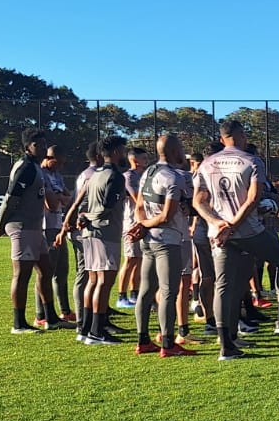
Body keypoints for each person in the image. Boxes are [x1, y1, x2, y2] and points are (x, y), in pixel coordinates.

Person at [192, 119, 279, 361]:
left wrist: (216, 223)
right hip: (247, 230)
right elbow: (252, 199)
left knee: (225, 286)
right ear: (241, 135)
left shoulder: (206, 164)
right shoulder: (252, 161)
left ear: (221, 139)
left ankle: (226, 345)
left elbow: (198, 200)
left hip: (218, 234)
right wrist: (233, 225)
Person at [127, 134, 197, 357]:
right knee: (169, 291)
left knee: (146, 291)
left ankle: (143, 340)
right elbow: (167, 216)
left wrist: (143, 225)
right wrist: (147, 223)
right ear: (175, 151)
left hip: (149, 240)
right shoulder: (173, 177)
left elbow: (139, 205)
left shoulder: (148, 172)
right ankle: (168, 343)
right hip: (168, 241)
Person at [0, 127, 55, 334]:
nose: (43, 148)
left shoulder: (36, 166)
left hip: (34, 227)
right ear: (27, 147)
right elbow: (11, 197)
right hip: (22, 227)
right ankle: (19, 323)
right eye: (37, 145)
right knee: (22, 274)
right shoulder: (25, 167)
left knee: (46, 269)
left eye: (44, 144)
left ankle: (50, 317)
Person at [75, 136, 131, 345]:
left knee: (93, 280)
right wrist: (89, 217)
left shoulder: (94, 174)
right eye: (123, 150)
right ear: (116, 151)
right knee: (104, 282)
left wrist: (83, 217)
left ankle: (85, 328)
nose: (125, 154)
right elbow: (106, 206)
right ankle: (97, 331)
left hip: (89, 233)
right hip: (105, 233)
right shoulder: (115, 176)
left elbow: (85, 203)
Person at [58, 142, 103, 341]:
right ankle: (82, 321)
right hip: (81, 229)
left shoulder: (92, 173)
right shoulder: (90, 175)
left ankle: (95, 318)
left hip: (84, 227)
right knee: (85, 273)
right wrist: (73, 223)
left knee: (92, 273)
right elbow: (80, 203)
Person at [36, 144, 77, 329]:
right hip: (46, 228)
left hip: (59, 227)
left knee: (62, 271)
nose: (61, 167)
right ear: (49, 158)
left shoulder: (57, 175)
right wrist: (60, 198)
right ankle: (41, 314)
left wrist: (61, 197)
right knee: (45, 273)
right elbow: (51, 203)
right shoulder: (41, 174)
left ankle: (65, 311)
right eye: (58, 163)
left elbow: (69, 198)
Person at [117, 146, 151, 309]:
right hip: (131, 223)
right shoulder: (129, 177)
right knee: (130, 259)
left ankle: (134, 293)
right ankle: (121, 295)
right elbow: (137, 198)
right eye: (143, 158)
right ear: (134, 159)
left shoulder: (143, 176)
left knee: (139, 259)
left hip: (141, 222)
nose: (146, 161)